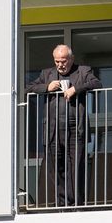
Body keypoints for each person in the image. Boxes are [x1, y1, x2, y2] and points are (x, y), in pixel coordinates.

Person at [26, 44, 101, 207]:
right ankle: (63, 204)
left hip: (76, 128)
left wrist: (76, 88)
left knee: (76, 167)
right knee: (57, 168)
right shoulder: (47, 74)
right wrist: (47, 87)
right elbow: (29, 87)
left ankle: (77, 205)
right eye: (57, 61)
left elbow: (97, 84)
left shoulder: (83, 71)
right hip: (53, 130)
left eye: (63, 61)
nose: (60, 65)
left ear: (71, 59)